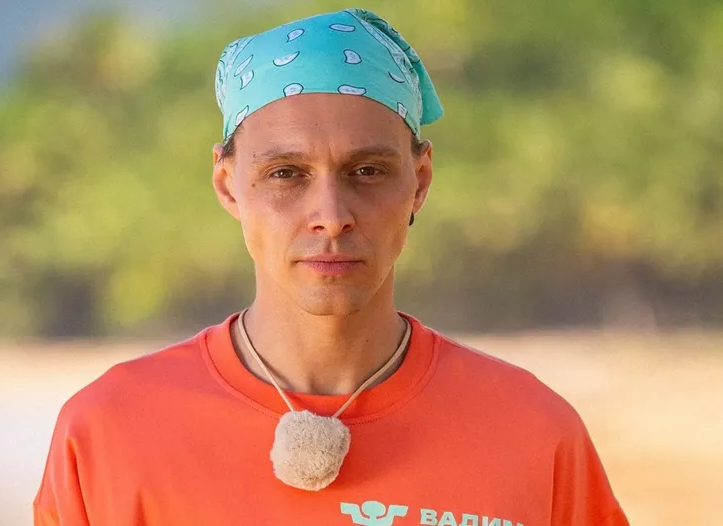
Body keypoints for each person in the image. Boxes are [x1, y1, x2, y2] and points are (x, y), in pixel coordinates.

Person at [33, 8, 629, 526]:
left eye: (367, 171)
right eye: (286, 174)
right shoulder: (109, 431)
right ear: (228, 184)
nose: (331, 216)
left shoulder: (533, 432)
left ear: (419, 181)